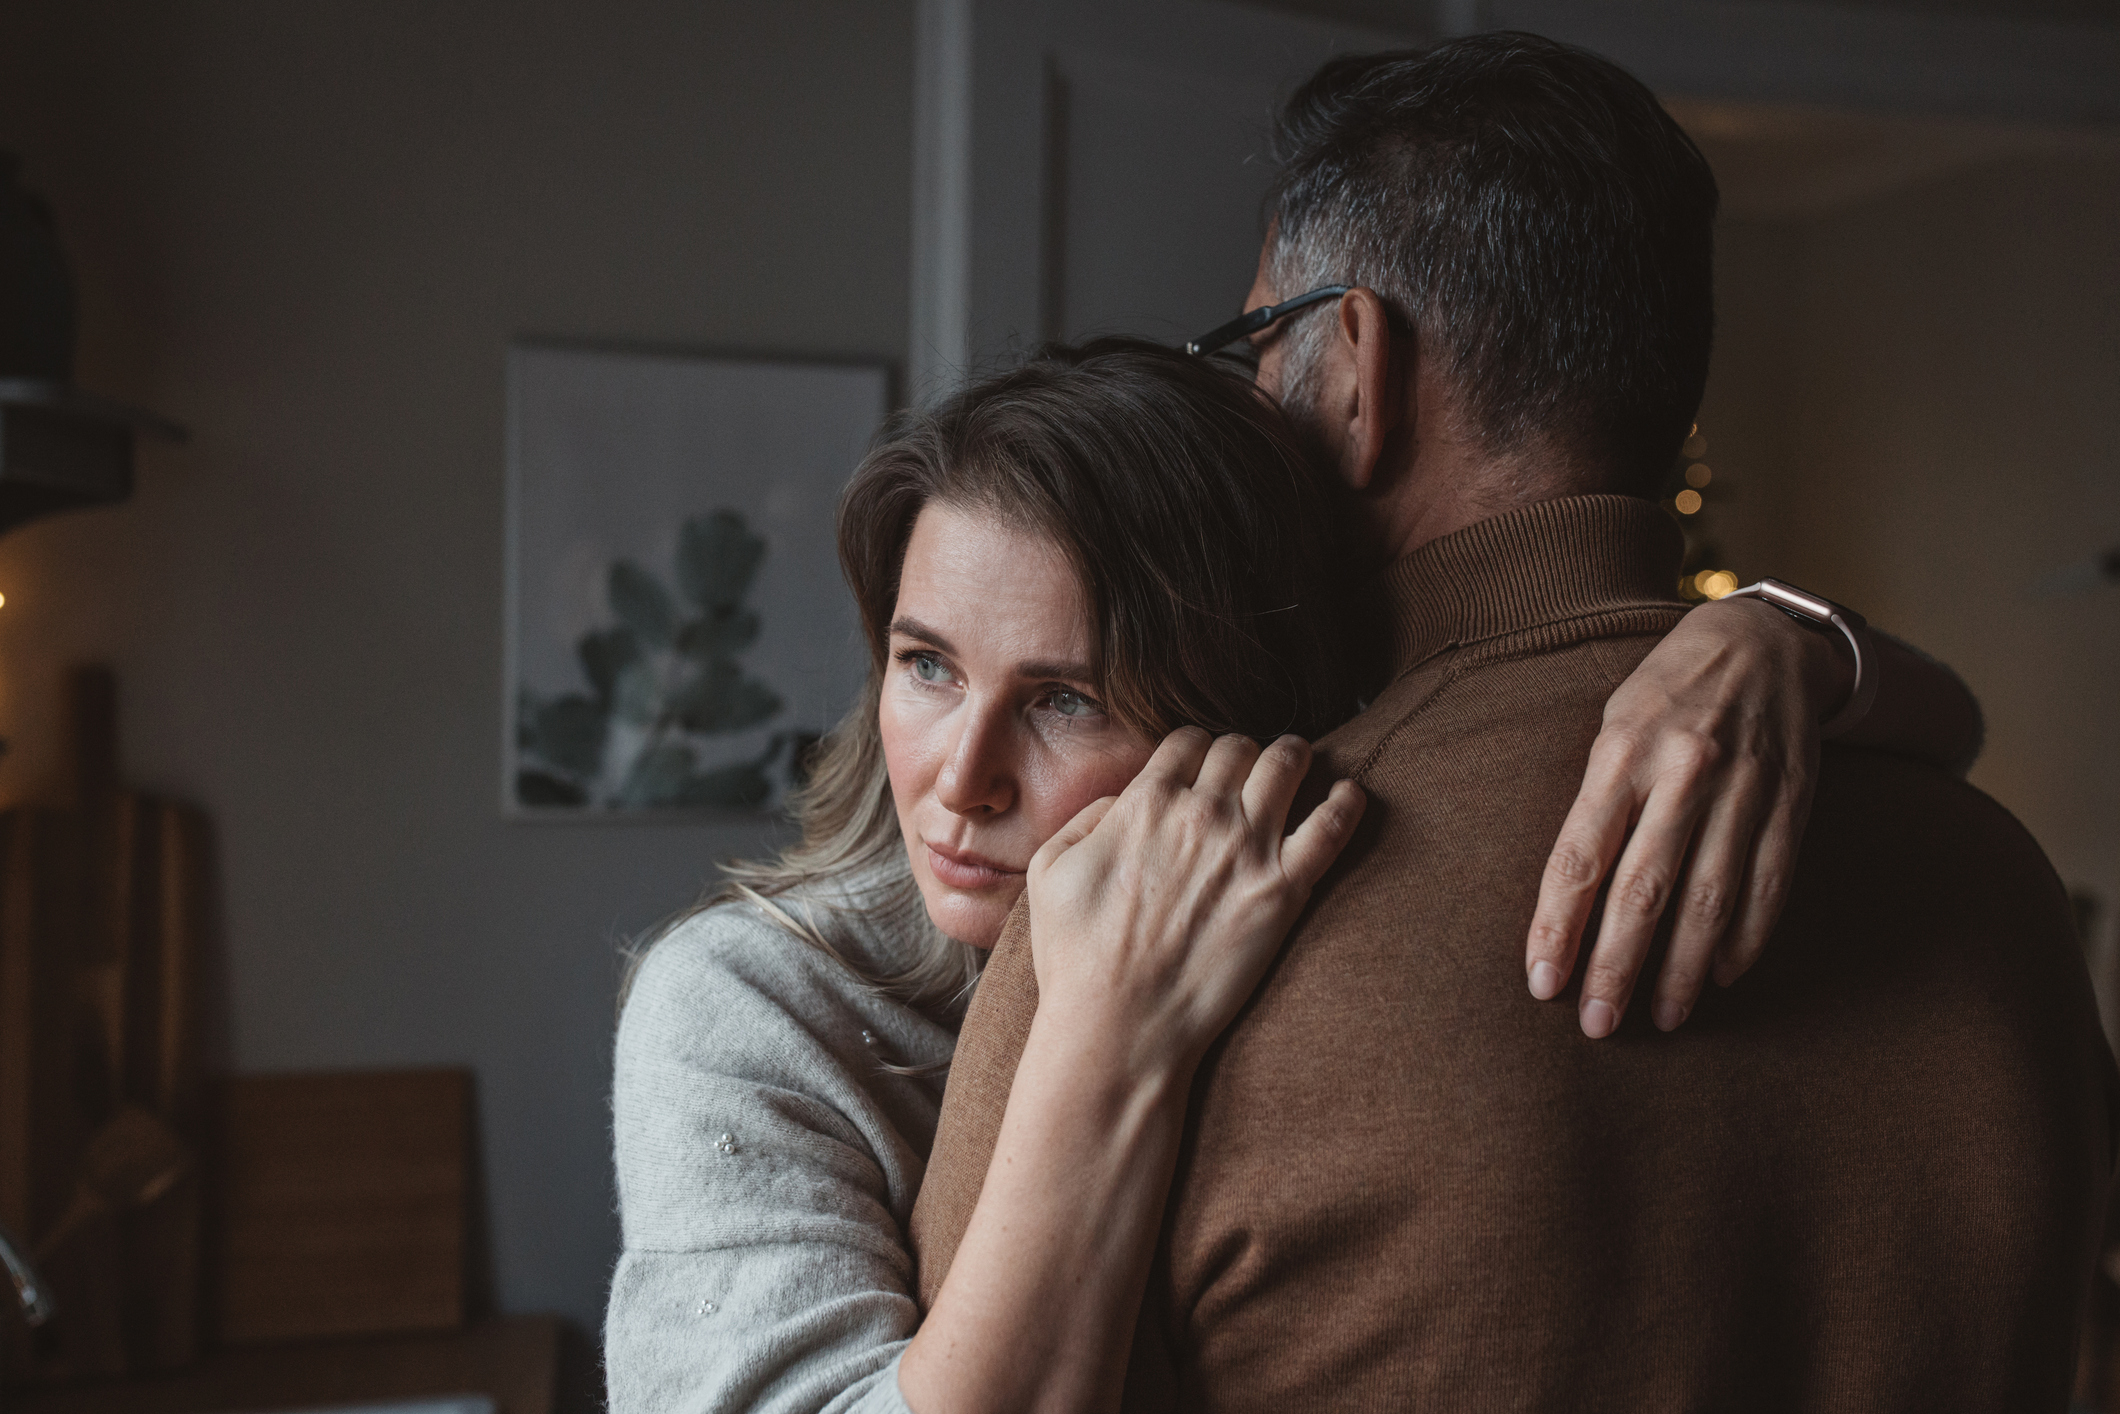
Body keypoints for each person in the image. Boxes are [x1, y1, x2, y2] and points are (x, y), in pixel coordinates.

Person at [907, 32, 2117, 1412]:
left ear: (1357, 366)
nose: (1250, 403)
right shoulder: (2000, 884)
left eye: (1255, 346)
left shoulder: (1152, 923)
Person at [606, 331, 1988, 1410]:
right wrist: (1101, 1031)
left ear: (1234, 715)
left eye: (1065, 698)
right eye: (926, 665)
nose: (958, 775)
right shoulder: (740, 1007)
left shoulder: (1315, 889)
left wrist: (1782, 639)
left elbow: (1956, 725)